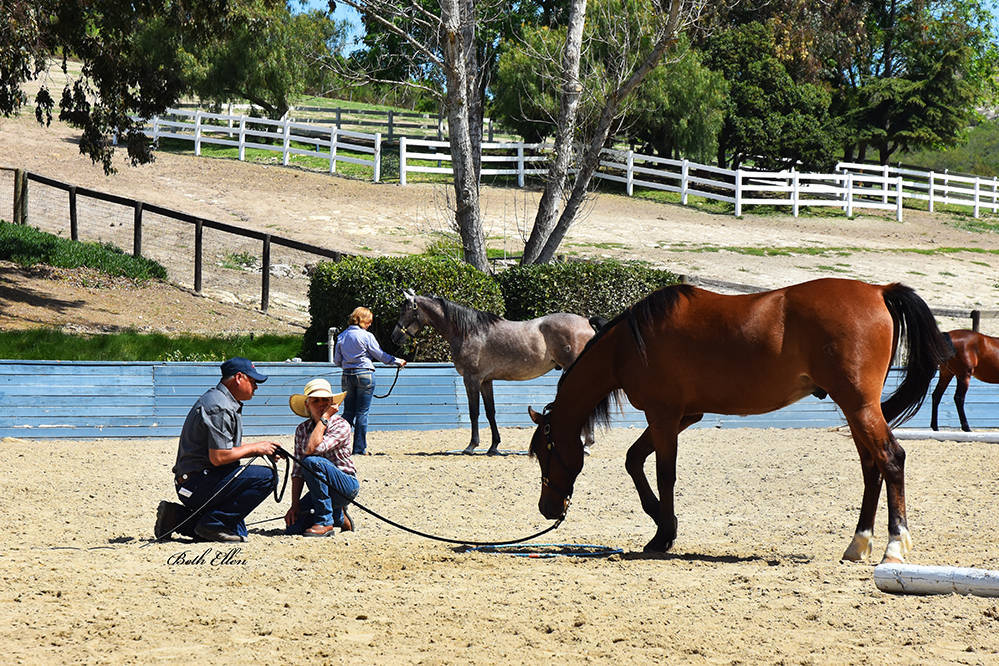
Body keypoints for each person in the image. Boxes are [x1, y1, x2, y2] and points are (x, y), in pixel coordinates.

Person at [156, 357, 282, 543]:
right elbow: (219, 457)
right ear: (239, 377)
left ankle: (177, 517)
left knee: (237, 531)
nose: (256, 387)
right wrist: (256, 448)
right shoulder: (220, 406)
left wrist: (259, 449)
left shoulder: (218, 400)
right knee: (267, 477)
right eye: (253, 381)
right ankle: (213, 523)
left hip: (193, 481)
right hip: (197, 483)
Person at [284, 378, 358, 537]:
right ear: (307, 405)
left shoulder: (341, 425)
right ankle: (338, 516)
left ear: (332, 403)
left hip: (345, 486)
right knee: (293, 528)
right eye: (315, 401)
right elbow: (297, 471)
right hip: (319, 489)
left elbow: (314, 449)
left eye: (325, 400)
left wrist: (324, 419)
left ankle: (325, 521)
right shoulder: (302, 430)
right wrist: (294, 505)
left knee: (311, 461)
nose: (321, 404)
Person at [333, 306, 406, 455]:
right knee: (362, 413)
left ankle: (340, 446)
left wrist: (349, 364)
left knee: (347, 412)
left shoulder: (341, 336)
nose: (370, 324)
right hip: (365, 374)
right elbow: (380, 356)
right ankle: (359, 449)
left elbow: (336, 361)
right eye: (369, 321)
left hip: (347, 375)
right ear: (361, 320)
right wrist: (397, 361)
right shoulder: (367, 336)